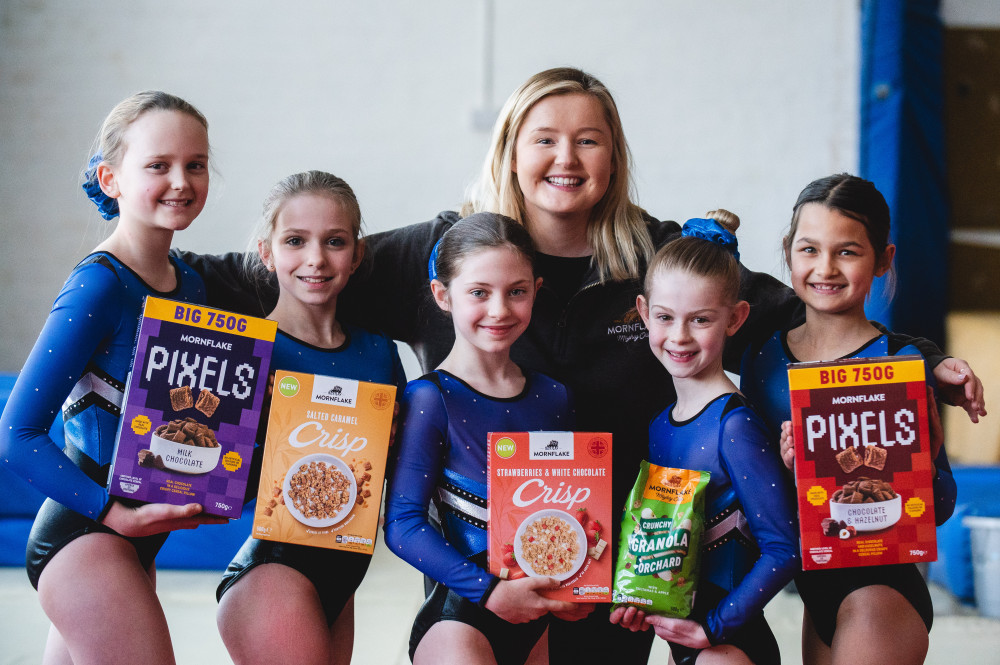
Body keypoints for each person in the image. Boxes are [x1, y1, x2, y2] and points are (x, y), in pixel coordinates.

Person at [177, 67, 983, 663]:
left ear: (612, 156)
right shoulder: (445, 250)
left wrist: (928, 364)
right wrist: (137, 278)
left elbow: (811, 318)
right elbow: (290, 268)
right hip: (492, 574)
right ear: (512, 149)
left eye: (588, 139)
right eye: (546, 139)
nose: (567, 158)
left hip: (633, 576)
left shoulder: (658, 259)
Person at [0, 91, 225, 665]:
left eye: (194, 164)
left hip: (134, 543)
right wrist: (111, 512)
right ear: (111, 178)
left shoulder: (189, 284)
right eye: (158, 165)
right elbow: (16, 434)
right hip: (84, 538)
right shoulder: (98, 286)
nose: (181, 180)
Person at [739, 173, 958, 665]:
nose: (825, 268)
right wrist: (784, 469)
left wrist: (930, 455)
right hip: (815, 588)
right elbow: (758, 494)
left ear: (884, 259)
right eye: (809, 249)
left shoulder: (901, 361)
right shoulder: (762, 357)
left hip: (882, 593)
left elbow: (938, 507)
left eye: (848, 252)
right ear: (788, 253)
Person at [214, 171, 406, 665]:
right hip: (273, 575)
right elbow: (214, 487)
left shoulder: (378, 352)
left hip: (343, 576)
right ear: (266, 252)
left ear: (357, 254)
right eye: (295, 241)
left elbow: (403, 468)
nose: (316, 259)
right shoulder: (246, 350)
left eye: (334, 241)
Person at [383, 212, 592, 665]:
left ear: (535, 291)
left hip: (538, 618)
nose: (499, 310)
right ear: (443, 295)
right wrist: (490, 591)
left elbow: (569, 512)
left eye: (516, 292)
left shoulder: (554, 397)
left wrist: (582, 582)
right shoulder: (430, 398)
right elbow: (402, 526)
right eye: (479, 292)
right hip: (463, 619)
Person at [618, 212, 799, 664]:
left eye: (700, 320)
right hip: (687, 641)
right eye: (664, 317)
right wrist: (644, 598)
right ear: (643, 312)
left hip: (730, 645)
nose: (679, 336)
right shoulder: (661, 423)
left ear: (735, 318)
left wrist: (713, 627)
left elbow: (783, 547)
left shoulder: (734, 427)